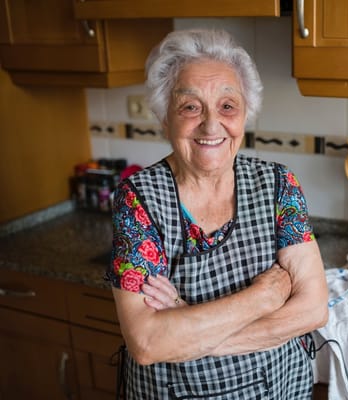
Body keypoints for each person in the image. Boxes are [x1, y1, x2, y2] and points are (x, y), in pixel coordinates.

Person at [107, 28, 329, 399]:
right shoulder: (138, 200)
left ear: (245, 115)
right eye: (191, 107)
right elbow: (147, 343)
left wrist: (190, 329)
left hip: (280, 388)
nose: (211, 124)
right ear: (165, 118)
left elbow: (313, 309)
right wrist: (263, 297)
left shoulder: (278, 185)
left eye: (227, 105)